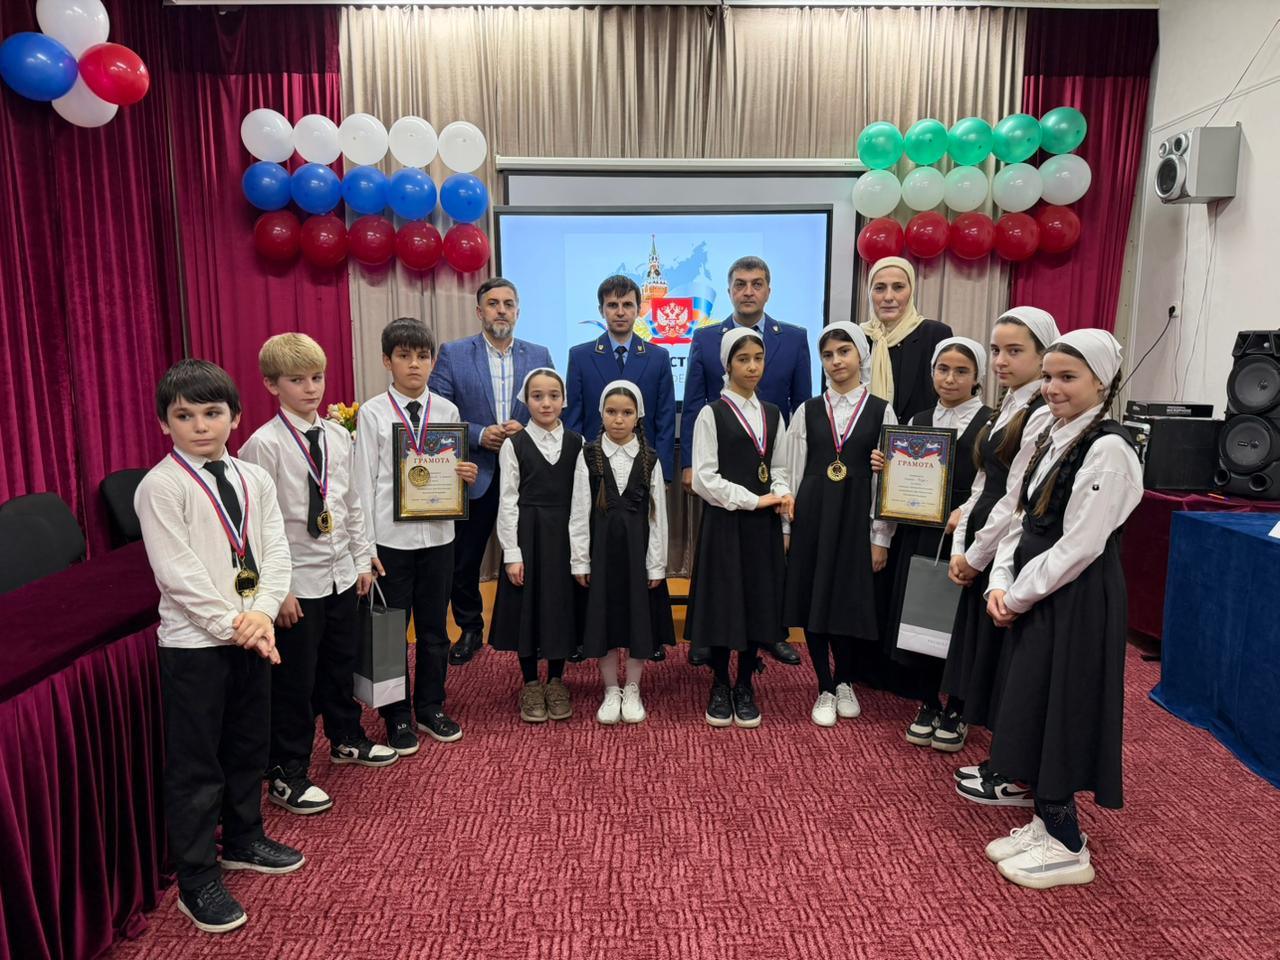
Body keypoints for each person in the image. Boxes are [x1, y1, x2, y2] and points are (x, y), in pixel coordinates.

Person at [135, 359, 302, 934]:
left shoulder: (253, 477)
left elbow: (276, 550)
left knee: (247, 744)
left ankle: (245, 838)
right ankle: (197, 877)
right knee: (197, 764)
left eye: (212, 413)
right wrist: (240, 624)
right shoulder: (161, 486)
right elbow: (178, 575)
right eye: (185, 416)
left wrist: (261, 613)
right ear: (165, 423)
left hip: (251, 632)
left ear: (235, 416)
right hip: (195, 644)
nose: (201, 426)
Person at [980, 328, 1141, 890]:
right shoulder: (1055, 434)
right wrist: (1000, 579)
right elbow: (1024, 516)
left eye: (1068, 378)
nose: (1052, 388)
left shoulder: (1109, 450)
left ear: (1103, 382)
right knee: (1035, 705)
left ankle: (1068, 843)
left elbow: (1079, 546)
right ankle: (1045, 823)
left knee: (1064, 709)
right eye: (1048, 376)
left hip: (1075, 600)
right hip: (1039, 594)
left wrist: (1017, 594)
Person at [239, 335, 399, 817]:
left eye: (317, 378)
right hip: (295, 583)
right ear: (272, 385)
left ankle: (346, 736)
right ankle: (287, 770)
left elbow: (351, 503)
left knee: (339, 662)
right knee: (295, 679)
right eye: (297, 380)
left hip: (339, 574)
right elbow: (255, 529)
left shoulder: (336, 435)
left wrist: (361, 558)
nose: (310, 389)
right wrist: (278, 590)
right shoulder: (263, 445)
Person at [944, 308, 1059, 802]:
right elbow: (981, 483)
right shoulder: (1008, 404)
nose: (1001, 361)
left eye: (1015, 351)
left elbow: (1014, 499)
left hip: (1006, 545)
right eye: (996, 350)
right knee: (989, 658)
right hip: (984, 536)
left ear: (1043, 354)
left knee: (1011, 662)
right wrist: (962, 545)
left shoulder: (1041, 412)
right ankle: (1003, 758)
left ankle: (1013, 767)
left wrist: (977, 555)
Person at [353, 318, 479, 756]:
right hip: (390, 542)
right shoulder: (372, 413)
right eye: (404, 356)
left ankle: (430, 706)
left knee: (434, 629)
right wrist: (366, 549)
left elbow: (452, 471)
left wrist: (464, 475)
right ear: (386, 361)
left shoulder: (447, 411)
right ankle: (396, 716)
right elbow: (363, 484)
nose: (414, 365)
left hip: (439, 537)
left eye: (422, 356)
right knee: (390, 633)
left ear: (432, 362)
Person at [682, 256, 810, 665]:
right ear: (729, 290)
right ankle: (711, 635)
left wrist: (786, 481)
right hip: (724, 464)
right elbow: (693, 403)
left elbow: (800, 405)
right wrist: (688, 463)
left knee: (761, 570)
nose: (748, 291)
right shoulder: (705, 338)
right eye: (740, 284)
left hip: (770, 467)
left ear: (768, 290)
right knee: (720, 563)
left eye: (757, 283)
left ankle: (767, 632)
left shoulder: (793, 337)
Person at [872, 337, 992, 749]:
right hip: (919, 531)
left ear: (977, 377)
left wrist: (966, 514)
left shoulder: (990, 424)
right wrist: (885, 466)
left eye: (961, 371)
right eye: (943, 369)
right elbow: (897, 482)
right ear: (932, 372)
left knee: (957, 621)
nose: (950, 378)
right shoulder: (918, 418)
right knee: (921, 616)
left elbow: (994, 485)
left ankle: (957, 706)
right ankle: (927, 700)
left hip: (965, 534)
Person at [429, 278, 554, 667]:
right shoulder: (453, 354)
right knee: (464, 559)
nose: (501, 310)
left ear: (518, 311)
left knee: (531, 555)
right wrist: (481, 434)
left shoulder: (539, 354)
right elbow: (437, 414)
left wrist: (526, 429)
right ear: (479, 311)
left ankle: (533, 628)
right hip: (474, 473)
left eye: (509, 304)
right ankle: (470, 628)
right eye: (494, 303)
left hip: (527, 474)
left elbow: (552, 408)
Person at [783, 322, 896, 726]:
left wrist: (880, 536)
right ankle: (825, 685)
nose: (836, 361)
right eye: (828, 355)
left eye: (844, 352)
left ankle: (846, 679)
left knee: (847, 600)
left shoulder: (882, 409)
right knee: (816, 598)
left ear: (860, 355)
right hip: (814, 514)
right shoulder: (808, 410)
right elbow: (792, 471)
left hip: (855, 517)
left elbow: (888, 481)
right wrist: (787, 528)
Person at [685, 327, 794, 727]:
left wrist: (781, 492)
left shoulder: (773, 414)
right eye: (743, 359)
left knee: (756, 602)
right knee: (723, 602)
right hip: (726, 522)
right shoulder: (710, 414)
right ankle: (719, 682)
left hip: (762, 526)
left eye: (758, 359)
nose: (752, 367)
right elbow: (704, 478)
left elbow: (779, 467)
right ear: (728, 365)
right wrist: (754, 500)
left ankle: (745, 683)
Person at [489, 368, 591, 723]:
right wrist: (512, 553)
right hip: (528, 536)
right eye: (537, 396)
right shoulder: (513, 445)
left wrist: (581, 554)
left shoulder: (578, 443)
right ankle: (531, 682)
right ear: (526, 400)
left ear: (564, 400)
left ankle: (557, 680)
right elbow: (507, 501)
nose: (546, 403)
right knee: (528, 609)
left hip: (564, 536)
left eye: (553, 396)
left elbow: (583, 502)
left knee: (560, 607)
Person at [576, 380, 675, 724]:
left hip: (638, 557)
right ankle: (610, 688)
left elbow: (658, 517)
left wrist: (656, 565)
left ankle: (632, 687)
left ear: (638, 417)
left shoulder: (650, 459)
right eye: (611, 412)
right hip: (601, 557)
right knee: (603, 620)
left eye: (627, 413)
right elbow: (579, 511)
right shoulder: (588, 456)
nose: (618, 419)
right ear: (601, 414)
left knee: (637, 621)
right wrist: (580, 559)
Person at [565, 274, 677, 483]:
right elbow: (573, 421)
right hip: (594, 470)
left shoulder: (658, 357)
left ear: (638, 309)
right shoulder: (580, 357)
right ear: (601, 310)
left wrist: (663, 475)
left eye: (627, 304)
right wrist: (576, 471)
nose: (620, 312)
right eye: (612, 305)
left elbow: (665, 421)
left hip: (644, 470)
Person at [860, 256, 953, 422]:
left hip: (919, 436)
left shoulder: (934, 334)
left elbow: (949, 398)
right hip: (867, 437)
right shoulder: (859, 338)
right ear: (869, 293)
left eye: (898, 287)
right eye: (880, 288)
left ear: (911, 291)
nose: (888, 297)